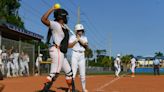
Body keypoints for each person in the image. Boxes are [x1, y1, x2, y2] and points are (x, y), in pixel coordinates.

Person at [41, 5, 74, 92]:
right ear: (62, 16)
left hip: (61, 52)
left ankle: (72, 90)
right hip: (57, 51)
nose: (67, 18)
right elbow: (43, 19)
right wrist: (52, 9)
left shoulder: (64, 27)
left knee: (69, 73)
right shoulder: (56, 25)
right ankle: (45, 90)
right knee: (54, 73)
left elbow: (66, 45)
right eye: (65, 16)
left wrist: (76, 42)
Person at [69, 24, 88, 92]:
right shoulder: (72, 37)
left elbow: (86, 46)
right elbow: (69, 46)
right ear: (76, 31)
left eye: (82, 30)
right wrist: (76, 40)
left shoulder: (84, 38)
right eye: (79, 30)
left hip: (82, 55)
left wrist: (80, 40)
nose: (81, 32)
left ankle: (83, 89)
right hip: (75, 54)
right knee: (73, 74)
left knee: (83, 75)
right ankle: (70, 88)